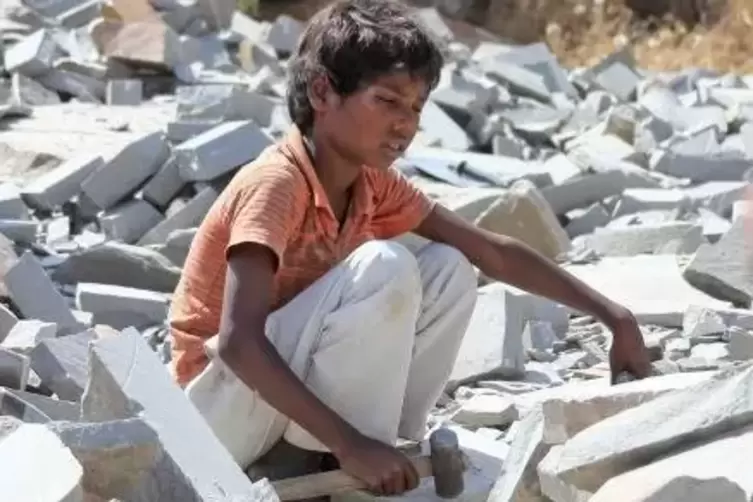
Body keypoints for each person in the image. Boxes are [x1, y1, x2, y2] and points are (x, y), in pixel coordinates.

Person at [167, 0, 652, 497]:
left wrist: (614, 316)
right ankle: (332, 459)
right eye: (387, 101)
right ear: (322, 92)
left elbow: (492, 253)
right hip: (214, 420)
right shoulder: (277, 183)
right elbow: (237, 343)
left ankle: (364, 451)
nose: (406, 124)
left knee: (448, 268)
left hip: (278, 407)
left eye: (417, 107)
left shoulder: (374, 184)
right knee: (386, 264)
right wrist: (350, 442)